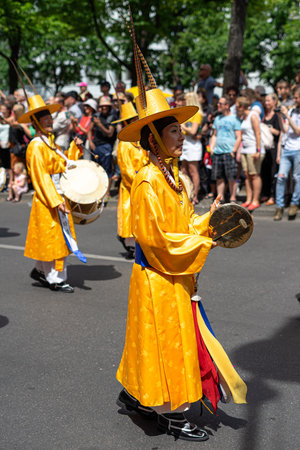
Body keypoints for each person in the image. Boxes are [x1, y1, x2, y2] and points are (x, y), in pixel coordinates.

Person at [116, 30, 247, 443]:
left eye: (179, 130)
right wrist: (203, 243)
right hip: (158, 275)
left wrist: (208, 224)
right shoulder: (147, 181)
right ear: (153, 138)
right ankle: (172, 414)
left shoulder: (175, 179)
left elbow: (184, 225)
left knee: (157, 343)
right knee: (166, 344)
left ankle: (139, 395)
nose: (182, 135)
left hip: (175, 274)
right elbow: (157, 241)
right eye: (174, 132)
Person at [17, 89, 84, 292]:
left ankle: (41, 271)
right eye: (44, 119)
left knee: (52, 238)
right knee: (53, 238)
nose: (49, 122)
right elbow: (41, 177)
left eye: (49, 118)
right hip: (49, 198)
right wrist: (55, 200)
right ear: (35, 123)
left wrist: (75, 148)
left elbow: (63, 165)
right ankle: (55, 278)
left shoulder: (50, 143)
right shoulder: (37, 146)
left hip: (57, 193)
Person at [112, 101, 148, 259]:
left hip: (144, 182)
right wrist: (140, 182)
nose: (136, 122)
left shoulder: (140, 141)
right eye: (132, 120)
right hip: (131, 186)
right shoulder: (124, 144)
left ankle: (139, 243)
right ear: (126, 123)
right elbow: (126, 171)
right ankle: (130, 244)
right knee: (131, 216)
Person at [273, 86, 300, 220]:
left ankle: (294, 203)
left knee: (296, 177)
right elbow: (285, 130)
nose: (294, 100)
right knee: (281, 177)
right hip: (287, 149)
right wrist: (279, 116)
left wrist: (287, 115)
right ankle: (279, 206)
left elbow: (297, 131)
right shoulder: (293, 111)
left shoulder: (294, 113)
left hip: (298, 149)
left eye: (296, 98)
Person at [209, 95, 242, 203]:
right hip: (218, 152)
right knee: (219, 177)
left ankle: (233, 198)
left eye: (220, 104)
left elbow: (239, 137)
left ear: (227, 106)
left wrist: (234, 150)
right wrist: (212, 148)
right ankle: (220, 198)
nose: (218, 105)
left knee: (231, 176)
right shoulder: (218, 119)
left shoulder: (235, 119)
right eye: (218, 103)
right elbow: (214, 135)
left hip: (229, 152)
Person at [236, 96, 265, 211]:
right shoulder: (244, 116)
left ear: (242, 106)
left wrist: (258, 150)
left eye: (238, 106)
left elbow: (258, 133)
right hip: (245, 149)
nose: (236, 108)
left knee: (255, 175)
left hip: (253, 149)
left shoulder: (253, 116)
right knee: (247, 176)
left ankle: (255, 200)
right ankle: (249, 199)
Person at [176, 92, 203, 204]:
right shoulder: (186, 112)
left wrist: (182, 126)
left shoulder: (197, 114)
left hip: (193, 145)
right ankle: (187, 193)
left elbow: (193, 131)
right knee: (184, 169)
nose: (183, 101)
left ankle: (195, 195)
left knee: (193, 171)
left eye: (186, 99)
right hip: (185, 143)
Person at [88, 95, 116, 201]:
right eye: (102, 106)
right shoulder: (96, 115)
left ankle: (107, 192)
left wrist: (99, 124)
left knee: (107, 169)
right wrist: (90, 141)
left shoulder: (112, 117)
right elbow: (90, 130)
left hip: (106, 146)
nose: (104, 108)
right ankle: (97, 191)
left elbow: (109, 133)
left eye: (106, 107)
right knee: (96, 169)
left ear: (109, 107)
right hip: (96, 145)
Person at [260, 94, 281, 205]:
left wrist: (268, 128)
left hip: (273, 148)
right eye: (265, 101)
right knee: (264, 171)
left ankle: (273, 196)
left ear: (274, 102)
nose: (266, 103)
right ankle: (265, 194)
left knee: (273, 172)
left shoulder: (277, 116)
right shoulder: (263, 115)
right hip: (264, 148)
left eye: (268, 100)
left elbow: (279, 132)